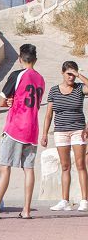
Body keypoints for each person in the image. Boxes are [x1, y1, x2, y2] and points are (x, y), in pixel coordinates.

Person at [0, 44, 46, 219]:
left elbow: (1, 101)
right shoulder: (41, 79)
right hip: (33, 129)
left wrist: (9, 102)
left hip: (16, 127)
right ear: (35, 60)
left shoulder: (17, 75)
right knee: (28, 168)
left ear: (20, 59)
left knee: (4, 167)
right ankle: (27, 210)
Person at [43, 62, 88, 211]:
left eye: (72, 74)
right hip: (60, 130)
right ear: (62, 73)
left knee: (81, 165)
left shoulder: (80, 88)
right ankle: (64, 200)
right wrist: (44, 133)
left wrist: (79, 75)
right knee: (65, 166)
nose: (71, 77)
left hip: (78, 130)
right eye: (68, 73)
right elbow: (49, 114)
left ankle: (84, 201)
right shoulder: (54, 91)